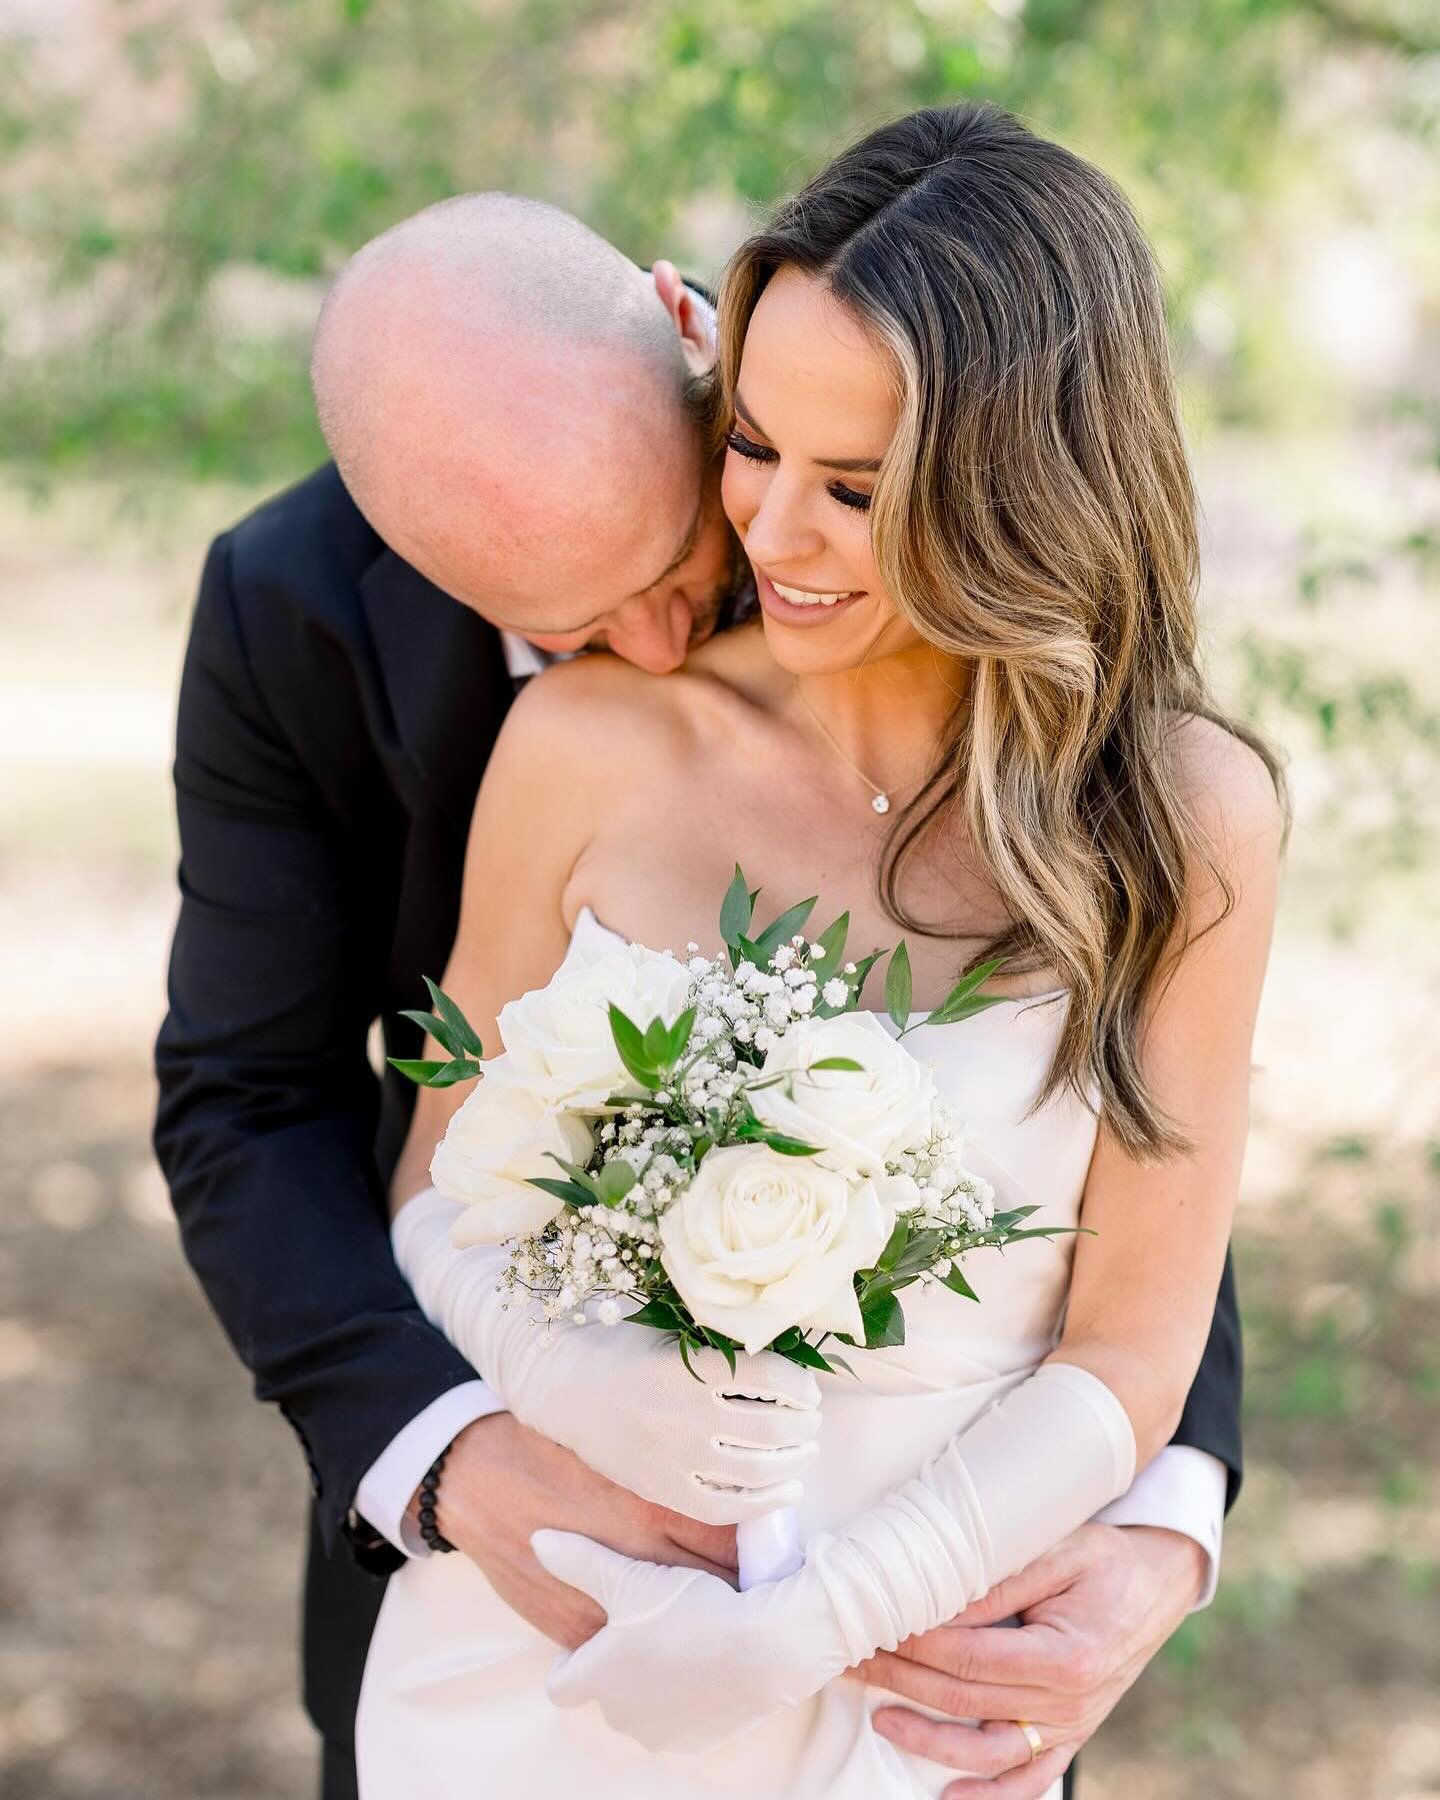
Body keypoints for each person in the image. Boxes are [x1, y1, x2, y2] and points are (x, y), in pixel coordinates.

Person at [152, 160, 1249, 1800]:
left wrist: (1162, 1513)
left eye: (673, 559)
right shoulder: (320, 620)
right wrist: (454, 1457)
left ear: (693, 344)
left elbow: (1127, 1198)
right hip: (532, 1615)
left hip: (936, 1667)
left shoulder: (838, 391)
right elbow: (261, 1108)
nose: (673, 640)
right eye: (566, 622)